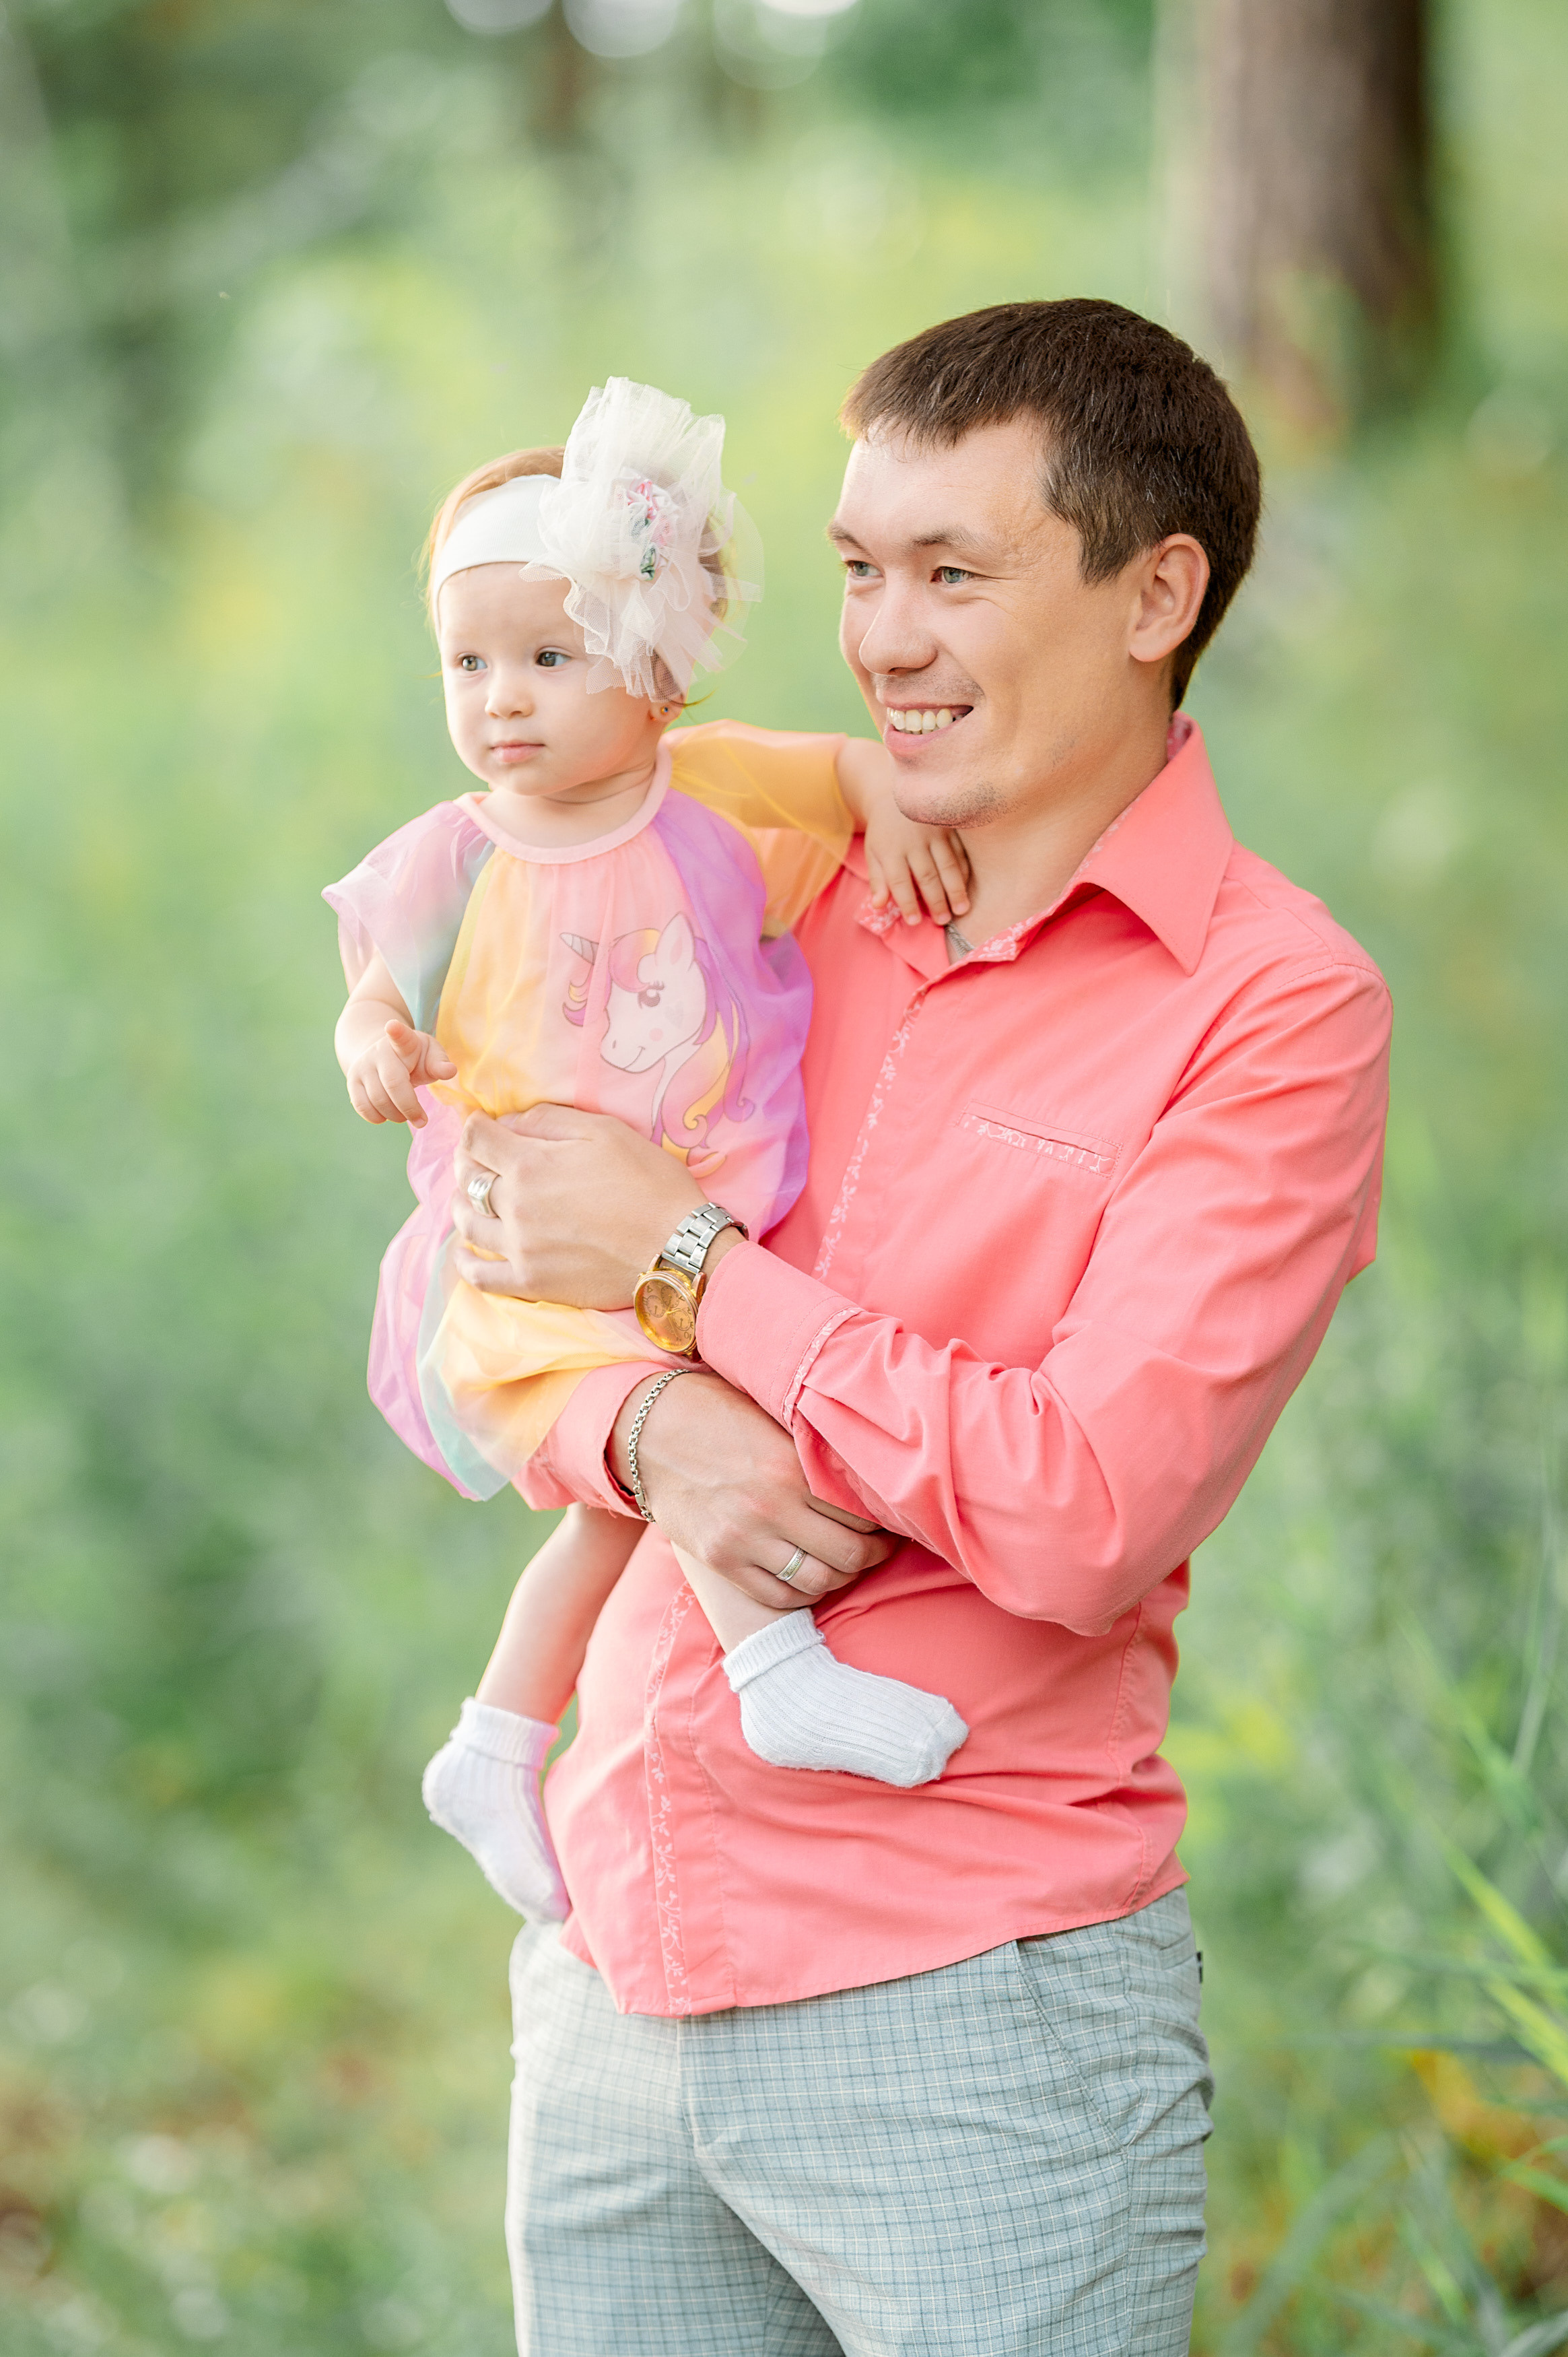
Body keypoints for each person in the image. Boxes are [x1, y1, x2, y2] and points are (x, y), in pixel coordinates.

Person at [445, 300, 1393, 2356]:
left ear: (1160, 594)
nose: (881, 639)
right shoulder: (757, 877)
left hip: (969, 2019)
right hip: (618, 1964)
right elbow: (499, 1262)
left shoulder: (1268, 1006)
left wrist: (696, 1274)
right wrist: (650, 1435)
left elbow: (1082, 1505)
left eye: (955, 574)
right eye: (866, 568)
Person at [325, 378, 973, 1923]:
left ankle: (492, 1740)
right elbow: (373, 983)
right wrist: (370, 1042)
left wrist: (885, 796)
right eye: (468, 663)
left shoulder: (709, 789)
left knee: (614, 1505)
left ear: (655, 668)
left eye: (549, 657)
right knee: (669, 1448)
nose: (501, 698)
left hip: (681, 1240)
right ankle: (774, 1667)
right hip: (533, 1270)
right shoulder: (456, 853)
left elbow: (843, 775)